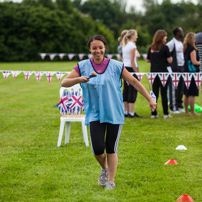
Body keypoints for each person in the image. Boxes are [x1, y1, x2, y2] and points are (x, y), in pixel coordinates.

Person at [61, 35, 157, 190]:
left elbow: (133, 81)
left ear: (105, 48)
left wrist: (149, 99)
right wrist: (79, 79)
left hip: (114, 112)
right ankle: (104, 169)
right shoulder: (83, 65)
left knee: (111, 147)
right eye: (94, 48)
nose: (97, 51)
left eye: (100, 47)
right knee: (98, 149)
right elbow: (64, 82)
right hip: (94, 113)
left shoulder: (116, 66)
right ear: (90, 49)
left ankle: (110, 181)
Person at [147, 30, 173, 119]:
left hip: (153, 73)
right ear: (161, 37)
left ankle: (153, 113)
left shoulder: (151, 47)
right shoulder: (165, 48)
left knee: (154, 94)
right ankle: (166, 113)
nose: (166, 38)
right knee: (164, 93)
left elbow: (147, 60)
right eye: (165, 36)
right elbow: (170, 60)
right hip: (163, 73)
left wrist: (155, 59)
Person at [122, 29, 141, 118]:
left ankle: (125, 111)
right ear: (132, 36)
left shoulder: (124, 45)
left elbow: (123, 59)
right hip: (131, 68)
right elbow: (133, 61)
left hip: (125, 67)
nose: (137, 37)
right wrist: (137, 73)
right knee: (132, 90)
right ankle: (132, 112)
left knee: (126, 90)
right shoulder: (132, 46)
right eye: (136, 35)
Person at [166, 27, 185, 113]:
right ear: (177, 33)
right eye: (181, 31)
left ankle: (179, 105)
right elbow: (166, 54)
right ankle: (173, 107)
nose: (183, 33)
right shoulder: (171, 43)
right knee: (174, 87)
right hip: (174, 68)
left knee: (181, 87)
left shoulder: (180, 43)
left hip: (181, 67)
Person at [183, 32, 200, 115]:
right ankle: (192, 112)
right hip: (192, 73)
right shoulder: (192, 49)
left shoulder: (185, 48)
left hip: (186, 72)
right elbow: (194, 61)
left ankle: (186, 111)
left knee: (186, 93)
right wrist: (200, 63)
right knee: (192, 93)